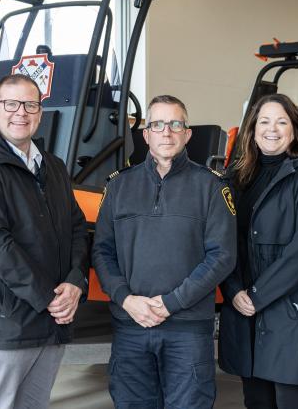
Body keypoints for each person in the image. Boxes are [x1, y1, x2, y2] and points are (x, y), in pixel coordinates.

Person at [0, 74, 89, 409]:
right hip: (7, 324)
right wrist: (49, 298)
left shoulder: (52, 167)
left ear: (41, 113)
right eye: (11, 104)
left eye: (30, 105)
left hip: (50, 321)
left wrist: (75, 282)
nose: (21, 113)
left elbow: (76, 228)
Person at [92, 94, 236, 409]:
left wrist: (171, 303)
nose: (166, 132)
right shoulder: (118, 187)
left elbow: (222, 256)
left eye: (175, 124)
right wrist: (126, 299)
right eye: (157, 124)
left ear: (187, 133)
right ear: (146, 135)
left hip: (188, 330)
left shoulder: (211, 187)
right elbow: (102, 251)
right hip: (131, 326)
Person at [217, 93, 298, 409]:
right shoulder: (235, 178)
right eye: (264, 121)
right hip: (243, 308)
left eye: (281, 122)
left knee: (290, 399)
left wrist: (256, 295)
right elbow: (221, 244)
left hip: (289, 310)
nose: (272, 129)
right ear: (252, 130)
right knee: (256, 400)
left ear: (294, 130)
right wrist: (235, 290)